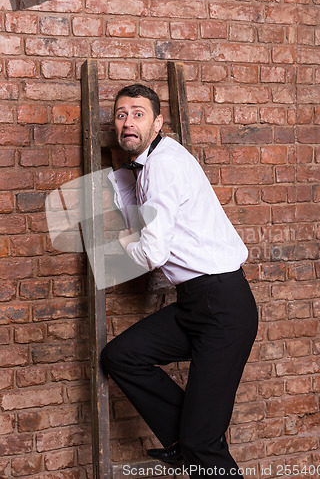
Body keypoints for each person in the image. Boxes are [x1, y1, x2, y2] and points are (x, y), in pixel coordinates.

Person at [101, 84, 258, 478]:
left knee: (205, 443)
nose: (128, 122)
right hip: (196, 302)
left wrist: (118, 249)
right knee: (122, 356)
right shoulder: (151, 164)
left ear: (157, 122)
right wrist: (118, 179)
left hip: (222, 303)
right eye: (121, 115)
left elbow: (153, 253)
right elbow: (143, 206)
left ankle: (192, 443)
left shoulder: (163, 165)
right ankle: (182, 440)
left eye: (138, 114)